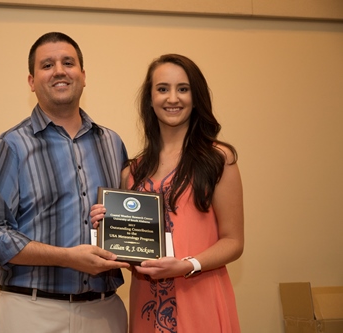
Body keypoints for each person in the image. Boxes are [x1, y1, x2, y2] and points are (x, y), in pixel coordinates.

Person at [0, 32, 130, 333]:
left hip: (105, 311)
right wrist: (67, 258)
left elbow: (127, 219)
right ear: (32, 81)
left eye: (68, 62)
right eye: (47, 65)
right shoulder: (12, 145)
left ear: (83, 75)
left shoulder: (112, 143)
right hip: (31, 313)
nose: (59, 70)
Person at [91, 54, 244, 333]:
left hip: (201, 298)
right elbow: (132, 256)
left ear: (195, 97)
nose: (172, 98)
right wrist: (106, 230)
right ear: (150, 99)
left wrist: (187, 265)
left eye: (182, 89)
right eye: (163, 89)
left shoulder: (218, 159)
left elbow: (233, 241)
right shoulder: (132, 171)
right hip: (147, 303)